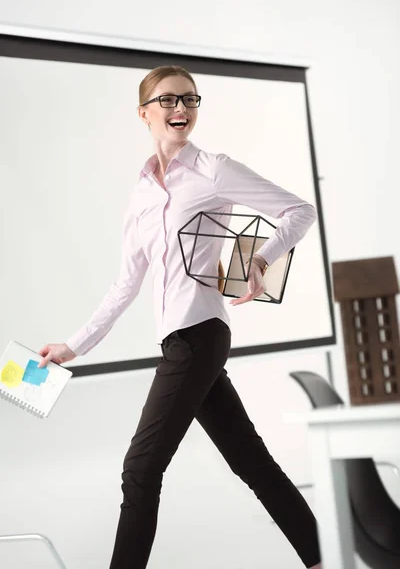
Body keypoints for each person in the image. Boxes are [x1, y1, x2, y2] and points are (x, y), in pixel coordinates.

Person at [38, 65, 322, 569]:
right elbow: (126, 283)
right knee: (251, 461)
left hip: (201, 334)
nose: (181, 109)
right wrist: (73, 346)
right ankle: (325, 556)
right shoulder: (142, 192)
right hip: (179, 343)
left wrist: (255, 258)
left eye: (190, 100)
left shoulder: (215, 168)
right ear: (144, 112)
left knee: (140, 468)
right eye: (168, 100)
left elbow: (299, 211)